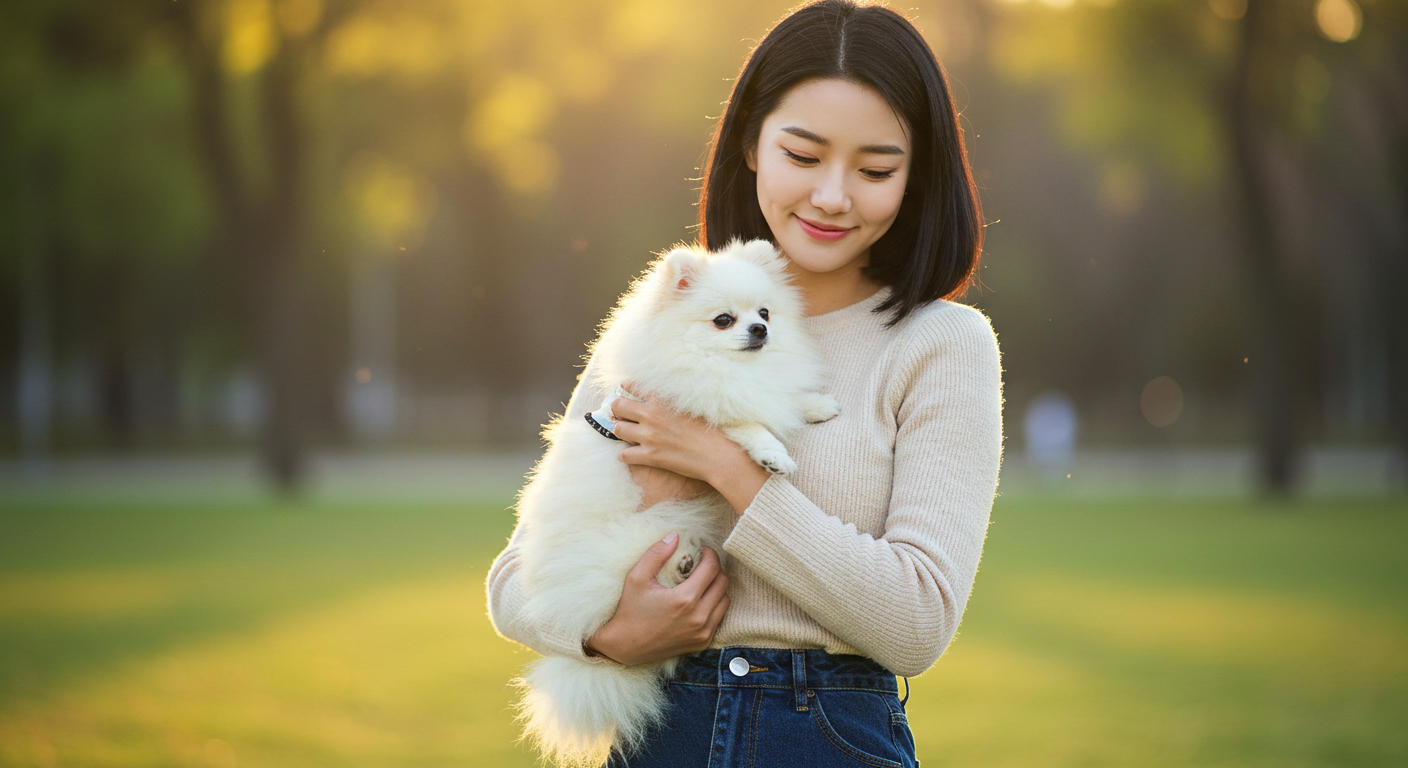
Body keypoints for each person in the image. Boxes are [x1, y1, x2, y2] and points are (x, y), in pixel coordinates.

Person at [486, 1, 1002, 765]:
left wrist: (725, 466)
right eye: (803, 155)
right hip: (656, 729)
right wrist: (611, 634)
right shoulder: (664, 326)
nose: (833, 195)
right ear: (752, 145)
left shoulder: (941, 346)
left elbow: (917, 624)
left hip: (829, 736)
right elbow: (513, 580)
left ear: (915, 177)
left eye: (874, 170)